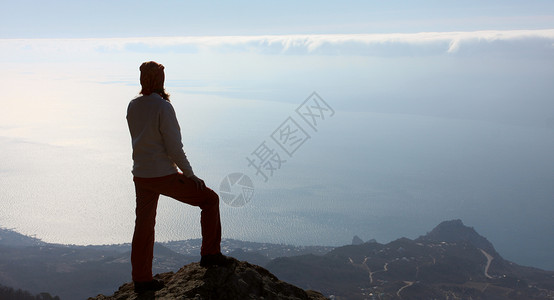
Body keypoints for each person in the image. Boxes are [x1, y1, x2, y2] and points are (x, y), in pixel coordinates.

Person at [126, 61, 231, 293]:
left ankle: (141, 279)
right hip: (163, 174)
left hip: (141, 175)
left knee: (143, 226)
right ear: (160, 80)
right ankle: (210, 254)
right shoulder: (163, 107)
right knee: (210, 200)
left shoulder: (133, 105)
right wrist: (191, 175)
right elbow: (174, 147)